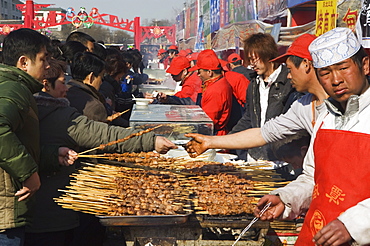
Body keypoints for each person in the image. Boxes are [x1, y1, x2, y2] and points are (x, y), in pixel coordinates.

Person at [25, 58, 176, 246]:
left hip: (27, 213)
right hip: (55, 213)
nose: (66, 89)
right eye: (63, 83)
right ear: (46, 85)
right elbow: (103, 135)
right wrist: (150, 140)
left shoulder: (23, 109)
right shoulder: (61, 116)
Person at [255, 27, 370, 245]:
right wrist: (286, 199)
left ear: (364, 66)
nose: (336, 80)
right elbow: (312, 179)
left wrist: (354, 224)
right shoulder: (327, 117)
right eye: (325, 73)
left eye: (343, 68)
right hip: (317, 234)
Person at [185, 34, 327, 160]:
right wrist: (218, 142)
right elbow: (260, 127)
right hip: (256, 153)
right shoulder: (254, 84)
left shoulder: (293, 87)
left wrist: (287, 154)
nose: (252, 64)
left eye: (255, 59)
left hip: (282, 158)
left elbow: (283, 131)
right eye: (250, 60)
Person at [0, 28, 71, 246]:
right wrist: (29, 173)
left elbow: (16, 143)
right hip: (6, 212)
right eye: (43, 59)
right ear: (23, 62)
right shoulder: (14, 89)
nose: (48, 66)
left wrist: (50, 155)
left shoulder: (14, 87)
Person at [188, 49, 233, 136]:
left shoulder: (215, 90)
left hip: (214, 136)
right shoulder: (217, 82)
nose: (198, 74)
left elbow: (207, 122)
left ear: (209, 72)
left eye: (199, 71)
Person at [66, 52, 107, 122]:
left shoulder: (63, 93)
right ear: (91, 77)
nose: (101, 82)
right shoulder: (95, 107)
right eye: (101, 77)